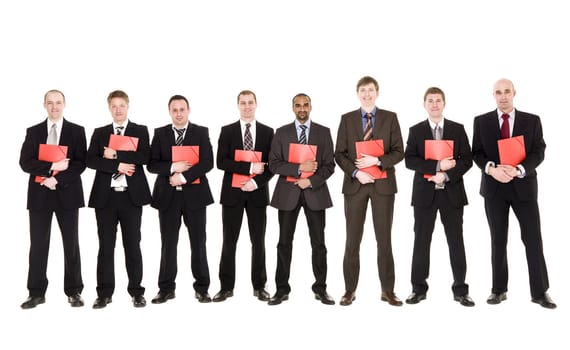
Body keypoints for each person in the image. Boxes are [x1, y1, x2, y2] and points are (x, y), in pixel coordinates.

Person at [472, 78, 556, 309]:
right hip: (494, 188)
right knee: (498, 239)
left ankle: (540, 292)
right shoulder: (481, 121)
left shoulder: (532, 120)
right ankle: (498, 290)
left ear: (514, 93)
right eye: (498, 92)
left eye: (507, 91)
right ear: (494, 95)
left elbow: (539, 151)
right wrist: (491, 169)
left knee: (532, 239)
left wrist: (520, 169)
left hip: (523, 187)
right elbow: (476, 153)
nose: (503, 96)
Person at [334, 76, 404, 306]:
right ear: (357, 93)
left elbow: (398, 151)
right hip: (356, 186)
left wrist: (378, 160)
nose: (367, 94)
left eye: (370, 90)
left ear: (377, 92)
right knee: (352, 240)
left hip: (383, 186)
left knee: (384, 239)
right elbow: (339, 154)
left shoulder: (390, 118)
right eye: (363, 90)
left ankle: (388, 290)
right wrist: (356, 173)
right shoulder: (347, 119)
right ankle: (349, 290)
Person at [403, 87, 474, 307]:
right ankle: (418, 289)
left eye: (438, 101)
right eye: (430, 101)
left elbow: (467, 160)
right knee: (421, 242)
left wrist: (446, 175)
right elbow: (410, 160)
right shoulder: (416, 131)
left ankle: (461, 290)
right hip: (425, 194)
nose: (434, 104)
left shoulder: (457, 129)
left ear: (444, 104)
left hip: (452, 194)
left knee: (456, 241)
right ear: (424, 104)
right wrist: (436, 167)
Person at [19, 89, 86, 309]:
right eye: (50, 103)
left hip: (67, 193)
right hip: (40, 195)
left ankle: (74, 291)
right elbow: (25, 162)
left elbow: (79, 164)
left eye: (58, 103)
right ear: (44, 105)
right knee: (38, 245)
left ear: (64, 104)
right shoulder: (34, 131)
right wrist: (51, 167)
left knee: (71, 244)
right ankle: (36, 293)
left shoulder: (77, 131)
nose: (54, 107)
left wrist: (57, 179)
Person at [267, 93, 336, 305]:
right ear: (293, 108)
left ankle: (321, 288)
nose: (302, 108)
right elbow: (274, 164)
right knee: (284, 243)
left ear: (311, 106)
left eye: (305, 105)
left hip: (315, 193)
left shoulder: (323, 132)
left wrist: (311, 181)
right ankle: (281, 289)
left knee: (319, 244)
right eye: (298, 105)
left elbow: (329, 166)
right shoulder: (282, 132)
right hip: (288, 194)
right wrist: (298, 169)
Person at [86, 90, 151, 309]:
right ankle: (104, 293)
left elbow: (144, 157)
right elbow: (91, 160)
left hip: (131, 198)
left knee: (133, 244)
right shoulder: (100, 132)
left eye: (121, 105)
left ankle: (136, 291)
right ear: (109, 108)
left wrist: (116, 156)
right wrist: (117, 166)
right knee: (106, 246)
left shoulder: (140, 130)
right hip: (106, 198)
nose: (118, 109)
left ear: (128, 106)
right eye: (114, 106)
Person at [148, 94, 214, 304]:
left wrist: (183, 177)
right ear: (170, 112)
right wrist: (171, 169)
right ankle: (166, 288)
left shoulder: (201, 132)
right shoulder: (160, 134)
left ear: (188, 110)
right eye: (174, 110)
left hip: (195, 196)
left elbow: (207, 162)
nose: (178, 113)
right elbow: (151, 164)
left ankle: (202, 288)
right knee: (168, 243)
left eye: (182, 109)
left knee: (199, 242)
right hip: (168, 197)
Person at [212, 90, 274, 303]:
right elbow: (221, 162)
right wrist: (249, 166)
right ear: (238, 105)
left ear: (256, 104)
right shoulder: (227, 131)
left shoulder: (267, 132)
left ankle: (260, 286)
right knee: (229, 241)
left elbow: (272, 166)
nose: (247, 106)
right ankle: (226, 287)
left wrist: (256, 181)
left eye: (250, 102)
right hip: (232, 194)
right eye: (243, 103)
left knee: (258, 241)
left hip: (257, 193)